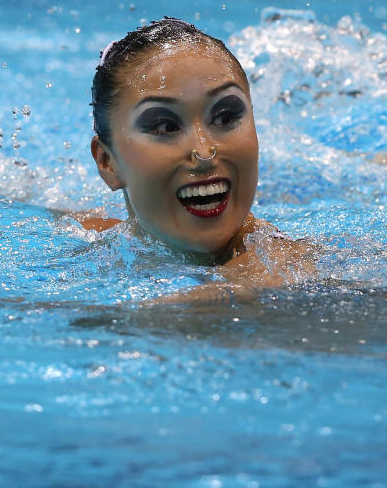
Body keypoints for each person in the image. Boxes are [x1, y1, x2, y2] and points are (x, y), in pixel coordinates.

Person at [81, 18, 312, 289]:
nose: (204, 152)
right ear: (108, 162)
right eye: (165, 126)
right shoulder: (90, 237)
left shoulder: (281, 270)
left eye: (225, 117)